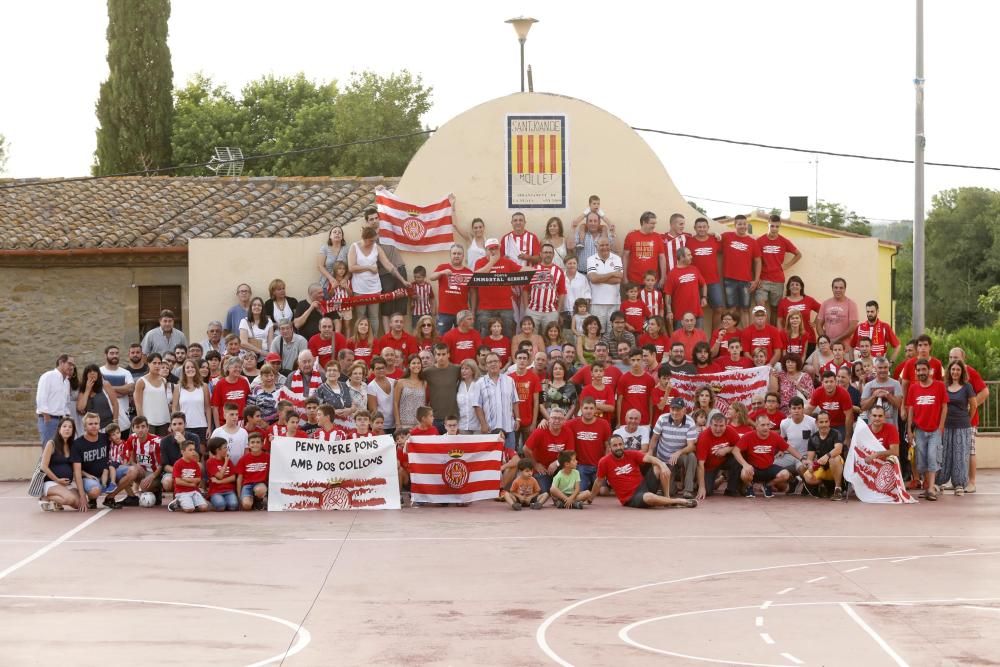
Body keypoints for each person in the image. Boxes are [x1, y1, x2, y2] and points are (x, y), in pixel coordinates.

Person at [593, 434, 697, 508]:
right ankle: (677, 501)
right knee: (649, 497)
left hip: (644, 485)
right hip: (630, 497)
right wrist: (590, 498)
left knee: (657, 467)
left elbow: (650, 458)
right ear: (610, 447)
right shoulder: (604, 461)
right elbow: (598, 482)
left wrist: (662, 465)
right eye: (615, 446)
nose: (618, 447)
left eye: (620, 444)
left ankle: (667, 498)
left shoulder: (631, 454)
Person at [729, 413, 803, 498]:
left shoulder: (775, 436)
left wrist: (802, 459)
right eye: (763, 425)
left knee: (785, 474)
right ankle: (749, 486)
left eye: (768, 425)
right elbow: (735, 451)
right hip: (753, 469)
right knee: (744, 473)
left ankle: (767, 486)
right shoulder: (748, 436)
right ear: (756, 426)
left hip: (769, 468)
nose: (766, 427)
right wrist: (745, 464)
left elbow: (789, 448)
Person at [905, 358, 948, 501]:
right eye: (918, 370)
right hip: (919, 430)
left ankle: (931, 489)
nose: (921, 372)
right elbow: (910, 409)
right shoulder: (913, 388)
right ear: (915, 372)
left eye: (924, 369)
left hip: (935, 430)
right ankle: (927, 486)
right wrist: (910, 431)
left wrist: (941, 427)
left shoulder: (939, 386)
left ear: (929, 371)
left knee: (932, 457)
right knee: (921, 461)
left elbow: (944, 407)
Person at [948, 347, 988, 494]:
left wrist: (971, 406)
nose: (953, 360)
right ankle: (956, 481)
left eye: (956, 357)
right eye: (951, 357)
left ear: (963, 359)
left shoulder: (970, 372)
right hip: (952, 422)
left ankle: (971, 482)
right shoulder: (949, 374)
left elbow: (985, 391)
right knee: (954, 451)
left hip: (969, 421)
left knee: (970, 450)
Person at [938, 360, 976, 495]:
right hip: (946, 426)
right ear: (949, 371)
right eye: (953, 369)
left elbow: (974, 405)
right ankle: (940, 482)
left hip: (962, 426)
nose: (955, 372)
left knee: (960, 455)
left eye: (958, 370)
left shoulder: (967, 387)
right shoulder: (944, 386)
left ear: (962, 372)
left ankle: (959, 484)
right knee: (945, 455)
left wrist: (967, 420)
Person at [755, 215, 801, 322]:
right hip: (763, 279)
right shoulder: (760, 241)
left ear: (779, 226)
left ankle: (772, 332)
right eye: (772, 226)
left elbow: (798, 254)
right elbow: (756, 261)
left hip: (778, 280)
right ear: (768, 224)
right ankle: (763, 331)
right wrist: (757, 277)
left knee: (775, 309)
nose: (774, 229)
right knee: (760, 307)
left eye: (777, 226)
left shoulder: (784, 241)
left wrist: (786, 266)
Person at [650, 397, 698, 498]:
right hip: (664, 458)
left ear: (684, 410)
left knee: (691, 457)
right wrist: (650, 455)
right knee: (669, 492)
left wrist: (679, 452)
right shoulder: (662, 418)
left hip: (680, 456)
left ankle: (688, 490)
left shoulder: (690, 422)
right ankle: (674, 488)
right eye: (673, 409)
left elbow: (691, 446)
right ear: (669, 409)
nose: (675, 412)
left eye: (678, 409)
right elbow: (654, 439)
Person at [472, 352, 520, 453]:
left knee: (510, 456)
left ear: (500, 364)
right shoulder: (479, 383)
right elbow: (477, 406)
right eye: (490, 362)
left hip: (508, 428)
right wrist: (483, 424)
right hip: (490, 429)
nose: (493, 364)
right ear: (485, 366)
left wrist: (518, 419)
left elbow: (515, 401)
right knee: (491, 460)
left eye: (495, 361)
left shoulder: (509, 380)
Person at [473, 238, 521, 338]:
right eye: (490, 249)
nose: (493, 251)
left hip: (505, 307)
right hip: (485, 308)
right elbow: (476, 276)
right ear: (486, 250)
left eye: (495, 248)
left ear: (499, 249)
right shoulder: (480, 262)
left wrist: (539, 271)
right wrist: (492, 262)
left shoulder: (507, 262)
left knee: (507, 334)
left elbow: (522, 270)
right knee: (485, 335)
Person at [720, 214, 762, 327]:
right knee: (731, 309)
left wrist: (756, 280)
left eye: (744, 224)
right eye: (739, 224)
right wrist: (712, 234)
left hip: (746, 281)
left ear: (747, 225)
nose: (742, 226)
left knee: (745, 309)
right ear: (735, 225)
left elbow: (758, 261)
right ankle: (732, 334)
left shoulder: (752, 242)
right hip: (729, 279)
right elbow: (712, 240)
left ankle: (746, 335)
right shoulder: (726, 236)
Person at [524, 407, 574, 493]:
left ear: (564, 421)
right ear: (549, 419)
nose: (557, 421)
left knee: (566, 489)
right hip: (542, 468)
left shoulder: (568, 432)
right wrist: (535, 464)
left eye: (560, 418)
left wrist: (557, 463)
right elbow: (526, 449)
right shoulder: (540, 430)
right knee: (544, 491)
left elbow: (570, 453)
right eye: (554, 418)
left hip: (559, 467)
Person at [695, 412, 742, 500]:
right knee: (707, 491)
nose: (718, 429)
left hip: (725, 460)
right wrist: (701, 487)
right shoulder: (704, 437)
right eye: (715, 425)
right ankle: (721, 479)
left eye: (721, 426)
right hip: (709, 466)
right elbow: (700, 464)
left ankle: (731, 489)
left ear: (726, 424)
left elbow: (740, 446)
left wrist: (727, 449)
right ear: (710, 425)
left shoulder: (730, 430)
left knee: (737, 458)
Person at [429, 243, 473, 334]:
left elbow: (472, 294)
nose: (456, 256)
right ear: (450, 255)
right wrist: (442, 272)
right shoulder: (443, 267)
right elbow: (431, 277)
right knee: (440, 339)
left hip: (462, 313)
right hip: (444, 312)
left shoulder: (469, 272)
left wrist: (472, 310)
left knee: (462, 338)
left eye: (459, 254)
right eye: (454, 253)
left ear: (463, 256)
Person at [38, 418, 80, 511]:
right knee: (70, 499)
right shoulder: (51, 444)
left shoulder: (72, 445)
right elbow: (43, 466)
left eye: (70, 427)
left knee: (79, 504)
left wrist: (87, 475)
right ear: (59, 429)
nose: (67, 429)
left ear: (73, 431)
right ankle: (46, 498)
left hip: (66, 484)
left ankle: (57, 501)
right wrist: (57, 479)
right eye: (64, 426)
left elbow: (76, 467)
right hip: (51, 482)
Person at [801, 411, 845, 499]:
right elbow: (810, 458)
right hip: (822, 467)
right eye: (821, 422)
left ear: (829, 422)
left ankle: (838, 489)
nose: (824, 424)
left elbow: (838, 449)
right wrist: (809, 465)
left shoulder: (836, 433)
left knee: (834, 458)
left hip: (837, 466)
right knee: (807, 475)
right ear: (816, 423)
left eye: (826, 421)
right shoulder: (813, 438)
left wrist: (827, 456)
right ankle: (823, 485)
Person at [664, 247, 708, 330]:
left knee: (699, 340)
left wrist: (704, 297)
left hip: (697, 313)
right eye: (688, 255)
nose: (691, 256)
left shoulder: (694, 269)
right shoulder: (672, 273)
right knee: (680, 342)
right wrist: (669, 311)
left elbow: (704, 284)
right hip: (681, 317)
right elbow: (668, 294)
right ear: (681, 257)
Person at [36, 354, 75, 447]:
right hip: (49, 419)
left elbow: (66, 402)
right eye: (69, 364)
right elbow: (41, 397)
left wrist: (67, 418)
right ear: (61, 362)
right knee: (48, 449)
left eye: (73, 365)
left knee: (60, 450)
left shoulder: (67, 382)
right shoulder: (48, 376)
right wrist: (46, 416)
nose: (71, 367)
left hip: (62, 421)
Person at [586, 237, 623, 332]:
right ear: (596, 246)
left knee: (613, 332)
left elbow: (618, 279)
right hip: (596, 303)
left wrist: (599, 278)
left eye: (607, 245)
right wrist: (612, 274)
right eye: (602, 245)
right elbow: (593, 279)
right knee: (598, 331)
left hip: (614, 302)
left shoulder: (617, 258)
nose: (605, 247)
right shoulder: (591, 259)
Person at [423, 343, 461, 433]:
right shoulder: (427, 371)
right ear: (434, 356)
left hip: (453, 418)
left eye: (444, 354)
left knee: (453, 446)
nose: (441, 357)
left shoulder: (456, 369)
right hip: (434, 418)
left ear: (448, 355)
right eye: (438, 354)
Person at [622, 211, 667, 288]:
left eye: (655, 223)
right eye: (652, 223)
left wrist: (663, 277)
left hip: (652, 281)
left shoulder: (657, 237)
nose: (654, 226)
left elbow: (662, 258)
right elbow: (625, 257)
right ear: (644, 222)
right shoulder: (631, 236)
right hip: (634, 281)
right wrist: (624, 276)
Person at [159, 412, 201, 492]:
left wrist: (184, 443)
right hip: (173, 471)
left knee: (200, 466)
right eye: (174, 424)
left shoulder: (194, 437)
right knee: (167, 483)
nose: (177, 427)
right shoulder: (164, 441)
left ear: (185, 424)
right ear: (170, 426)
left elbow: (196, 459)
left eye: (180, 424)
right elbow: (165, 466)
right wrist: (179, 474)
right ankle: (178, 496)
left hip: (190, 470)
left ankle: (193, 492)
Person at [807, 371, 855, 441]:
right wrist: (795, 415)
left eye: (831, 381)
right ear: (822, 383)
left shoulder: (844, 394)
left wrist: (847, 437)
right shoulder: (818, 392)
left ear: (836, 382)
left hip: (841, 424)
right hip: (825, 424)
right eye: (826, 382)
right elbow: (808, 409)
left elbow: (849, 416)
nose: (829, 384)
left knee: (841, 444)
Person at [817, 277, 859, 354]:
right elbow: (819, 324)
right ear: (832, 288)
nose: (838, 290)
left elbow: (853, 327)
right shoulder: (825, 303)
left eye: (841, 288)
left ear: (845, 289)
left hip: (844, 349)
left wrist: (835, 340)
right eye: (835, 287)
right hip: (828, 349)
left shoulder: (851, 304)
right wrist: (825, 341)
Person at [100, 346, 135, 436]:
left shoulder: (125, 372)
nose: (114, 355)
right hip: (104, 417)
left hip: (123, 417)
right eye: (111, 353)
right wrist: (122, 390)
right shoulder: (100, 372)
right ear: (105, 355)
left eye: (116, 353)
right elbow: (99, 390)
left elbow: (130, 388)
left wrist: (109, 389)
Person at [134, 353, 172, 436]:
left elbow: (163, 401)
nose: (157, 366)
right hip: (148, 422)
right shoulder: (141, 381)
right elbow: (138, 404)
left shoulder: (164, 381)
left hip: (164, 420)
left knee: (162, 446)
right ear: (148, 364)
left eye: (159, 363)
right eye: (154, 363)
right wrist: (141, 423)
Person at [167, 441, 208, 513]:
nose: (193, 452)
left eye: (193, 450)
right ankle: (178, 501)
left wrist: (186, 479)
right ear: (183, 452)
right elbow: (178, 481)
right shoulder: (178, 463)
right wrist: (191, 484)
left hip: (194, 491)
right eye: (190, 450)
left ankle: (191, 501)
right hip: (182, 491)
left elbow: (198, 479)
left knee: (204, 508)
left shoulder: (195, 464)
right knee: (189, 509)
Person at [75, 364, 118, 431]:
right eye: (89, 371)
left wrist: (115, 422)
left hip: (108, 425)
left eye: (95, 371)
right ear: (86, 375)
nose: (92, 373)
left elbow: (115, 403)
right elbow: (80, 408)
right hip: (91, 427)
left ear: (98, 374)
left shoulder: (105, 384)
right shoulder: (83, 389)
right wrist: (87, 390)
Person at [237, 432, 270, 511]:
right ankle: (253, 502)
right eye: (252, 442)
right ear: (248, 445)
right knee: (246, 506)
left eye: (258, 442)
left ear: (262, 444)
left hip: (260, 484)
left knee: (260, 490)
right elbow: (239, 478)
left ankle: (259, 500)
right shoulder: (243, 459)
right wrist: (239, 496)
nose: (255, 445)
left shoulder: (268, 457)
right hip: (247, 486)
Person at [392, 355, 427, 430]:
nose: (416, 365)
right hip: (404, 424)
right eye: (413, 363)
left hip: (420, 424)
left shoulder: (424, 383)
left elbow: (426, 403)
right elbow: (395, 403)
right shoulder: (401, 382)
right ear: (409, 366)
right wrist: (398, 423)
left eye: (418, 363)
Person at [204, 437, 238, 511]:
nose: (227, 449)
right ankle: (211, 502)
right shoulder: (210, 462)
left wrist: (220, 482)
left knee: (233, 506)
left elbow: (233, 477)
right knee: (220, 506)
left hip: (229, 490)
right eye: (225, 447)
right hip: (216, 491)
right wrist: (225, 462)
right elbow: (220, 476)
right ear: (218, 450)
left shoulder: (229, 461)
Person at [211, 402, 249, 466]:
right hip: (223, 469)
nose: (235, 417)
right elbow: (211, 453)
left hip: (239, 467)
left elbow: (246, 452)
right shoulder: (217, 432)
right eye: (232, 414)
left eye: (236, 414)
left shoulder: (243, 432)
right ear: (225, 415)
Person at [561, 256, 591, 331]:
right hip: (564, 313)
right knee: (566, 336)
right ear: (565, 264)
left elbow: (587, 296)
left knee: (580, 334)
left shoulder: (582, 278)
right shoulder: (560, 277)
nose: (572, 265)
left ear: (577, 264)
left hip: (579, 313)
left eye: (574, 263)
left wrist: (585, 313)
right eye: (569, 263)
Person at [318, 225, 349, 296]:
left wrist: (345, 279)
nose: (337, 233)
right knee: (328, 304)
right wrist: (331, 279)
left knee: (342, 306)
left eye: (339, 232)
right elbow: (320, 266)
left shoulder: (347, 249)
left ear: (342, 236)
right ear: (330, 236)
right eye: (334, 232)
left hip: (342, 285)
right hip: (326, 283)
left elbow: (350, 267)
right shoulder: (324, 248)